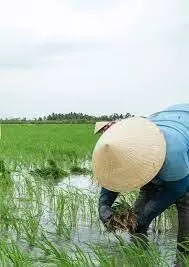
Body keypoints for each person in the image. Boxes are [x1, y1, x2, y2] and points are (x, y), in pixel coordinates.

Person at [93, 104, 189, 267]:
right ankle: (139, 257)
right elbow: (114, 174)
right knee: (138, 219)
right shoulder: (124, 144)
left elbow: (177, 188)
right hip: (167, 125)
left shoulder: (174, 152)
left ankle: (183, 259)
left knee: (185, 202)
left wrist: (147, 214)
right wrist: (104, 204)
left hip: (180, 149)